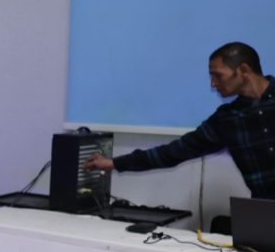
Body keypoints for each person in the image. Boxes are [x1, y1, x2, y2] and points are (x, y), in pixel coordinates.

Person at [84, 42, 275, 201]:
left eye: (217, 75)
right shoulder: (227, 119)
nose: (213, 83)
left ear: (243, 70)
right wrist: (113, 163)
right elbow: (174, 152)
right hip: (265, 217)